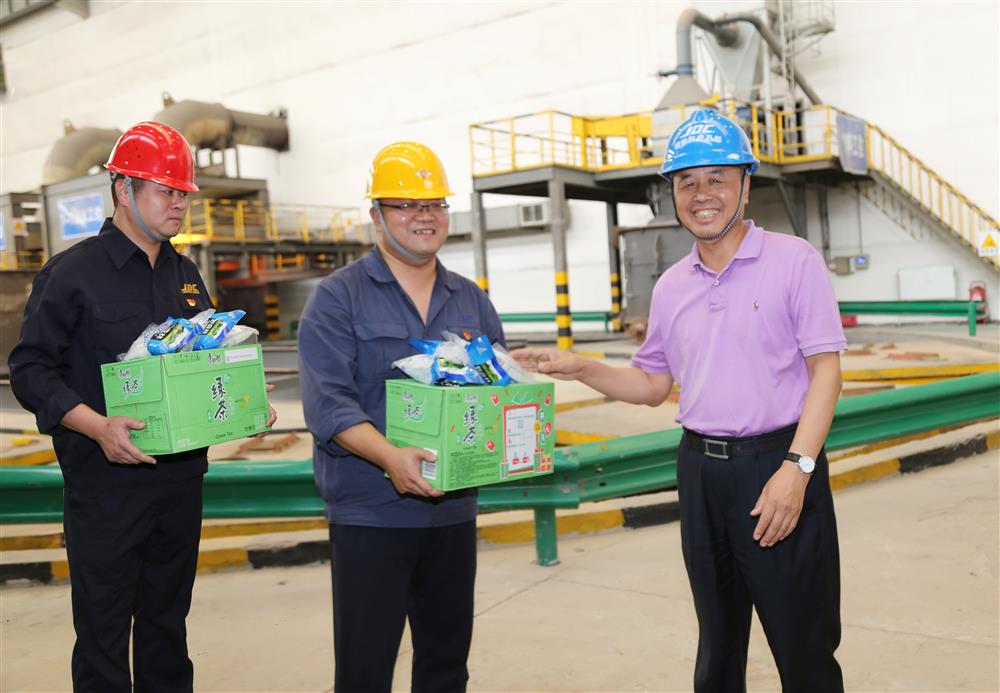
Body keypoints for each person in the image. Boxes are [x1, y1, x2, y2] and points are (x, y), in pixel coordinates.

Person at [513, 109, 846, 692]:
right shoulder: (671, 286)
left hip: (778, 465)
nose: (701, 194)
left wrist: (797, 470)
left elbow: (827, 372)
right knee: (717, 646)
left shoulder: (794, 261)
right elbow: (651, 387)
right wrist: (580, 367)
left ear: (745, 184)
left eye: (717, 178)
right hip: (699, 474)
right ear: (672, 193)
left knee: (804, 647)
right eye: (687, 181)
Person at [9, 121, 276, 693]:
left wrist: (242, 398)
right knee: (103, 637)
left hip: (180, 485)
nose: (179, 202)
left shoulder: (185, 274)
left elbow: (203, 357)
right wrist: (97, 426)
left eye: (184, 192)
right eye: (166, 190)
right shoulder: (72, 273)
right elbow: (29, 370)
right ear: (123, 189)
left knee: (167, 629)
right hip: (106, 488)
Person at [298, 141, 504, 693]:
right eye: (407, 205)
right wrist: (390, 457)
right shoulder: (337, 298)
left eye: (434, 204)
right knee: (365, 671)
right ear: (377, 215)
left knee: (446, 666)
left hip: (453, 511)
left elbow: (494, 394)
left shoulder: (471, 301)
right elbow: (328, 403)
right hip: (372, 514)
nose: (424, 216)